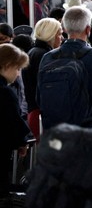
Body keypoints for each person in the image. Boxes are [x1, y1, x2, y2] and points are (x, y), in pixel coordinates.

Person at [38, 6, 92, 129]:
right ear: (88, 30)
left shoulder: (47, 58)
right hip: (88, 131)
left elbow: (39, 96)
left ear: (64, 29)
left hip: (55, 132)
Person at [22, 18, 63, 140]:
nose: (62, 38)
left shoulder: (35, 52)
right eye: (59, 34)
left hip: (35, 112)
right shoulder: (44, 56)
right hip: (41, 114)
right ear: (51, 35)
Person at [0, 44, 30, 196]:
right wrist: (22, 142)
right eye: (17, 68)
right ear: (7, 65)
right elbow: (14, 121)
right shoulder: (6, 93)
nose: (18, 74)